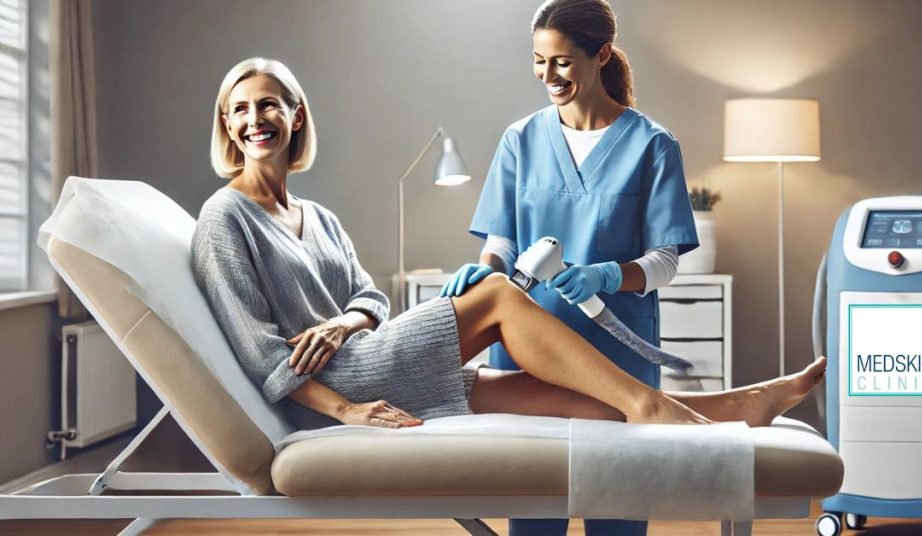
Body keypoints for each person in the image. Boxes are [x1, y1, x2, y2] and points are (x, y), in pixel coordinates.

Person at [192, 57, 824, 461]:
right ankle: (655, 406)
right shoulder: (226, 217)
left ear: (295, 115)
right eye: (242, 109)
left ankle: (741, 405)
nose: (257, 119)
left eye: (270, 103)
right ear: (227, 123)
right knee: (497, 296)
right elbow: (260, 355)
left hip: (366, 354)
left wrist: (341, 322)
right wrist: (347, 410)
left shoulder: (316, 216)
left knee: (564, 397)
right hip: (344, 384)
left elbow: (371, 300)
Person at [442, 1, 710, 534]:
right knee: (536, 512)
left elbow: (664, 262)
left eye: (562, 62)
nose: (549, 75)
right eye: (539, 61)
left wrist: (606, 275)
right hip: (529, 352)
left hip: (617, 350)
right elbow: (501, 240)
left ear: (601, 54)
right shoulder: (521, 139)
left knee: (619, 515)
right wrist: (486, 271)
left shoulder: (652, 145)